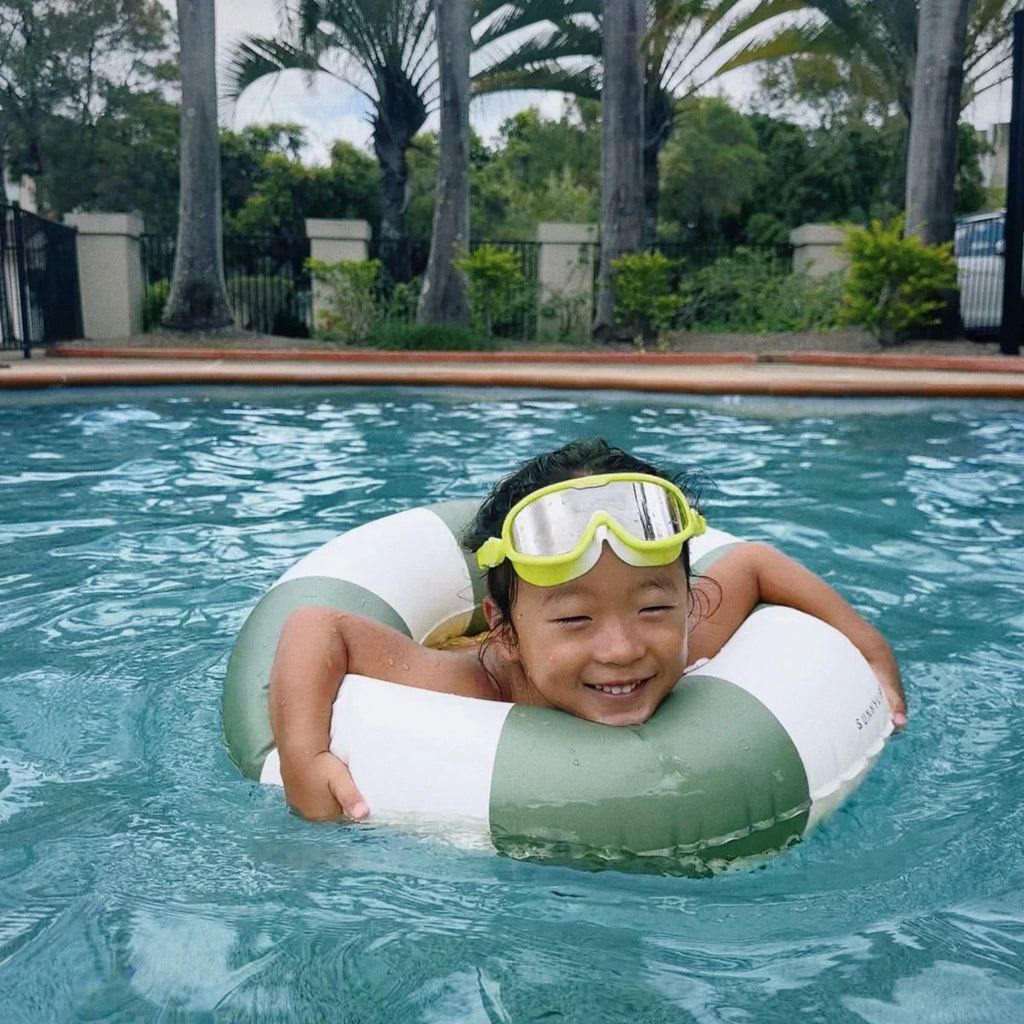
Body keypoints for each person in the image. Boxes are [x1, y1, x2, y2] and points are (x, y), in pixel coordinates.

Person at [270, 438, 906, 822]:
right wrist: (305, 758)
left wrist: (870, 650)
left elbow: (754, 562)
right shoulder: (470, 684)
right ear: (507, 632)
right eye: (575, 618)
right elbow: (317, 626)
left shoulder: (685, 651)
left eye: (654, 608)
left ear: (689, 604)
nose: (623, 649)